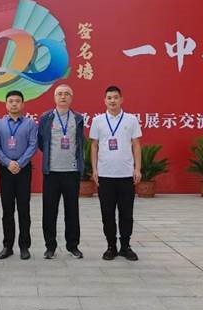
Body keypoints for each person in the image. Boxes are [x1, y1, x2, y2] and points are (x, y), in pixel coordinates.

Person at [89, 86, 141, 261]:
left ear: (121, 99)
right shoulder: (98, 121)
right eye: (109, 98)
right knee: (107, 213)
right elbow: (94, 146)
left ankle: (125, 246)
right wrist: (95, 169)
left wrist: (137, 168)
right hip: (105, 175)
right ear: (105, 100)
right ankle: (111, 246)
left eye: (115, 97)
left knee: (126, 214)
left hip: (126, 175)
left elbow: (136, 144)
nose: (112, 101)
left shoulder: (131, 119)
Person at [37, 84, 85, 259]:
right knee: (49, 211)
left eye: (66, 94)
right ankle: (50, 247)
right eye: (59, 94)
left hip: (71, 172)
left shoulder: (78, 118)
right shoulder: (46, 118)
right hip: (51, 172)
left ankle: (73, 246)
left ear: (71, 98)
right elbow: (41, 142)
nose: (63, 97)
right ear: (54, 97)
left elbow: (80, 142)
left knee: (72, 211)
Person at [0, 90, 37, 260]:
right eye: (11, 101)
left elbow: (33, 145)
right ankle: (8, 246)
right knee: (7, 209)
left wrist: (19, 163)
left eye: (17, 101)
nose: (14, 104)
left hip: (23, 169)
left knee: (24, 209)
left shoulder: (30, 123)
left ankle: (24, 246)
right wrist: (8, 162)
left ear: (22, 104)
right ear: (6, 104)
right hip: (5, 169)